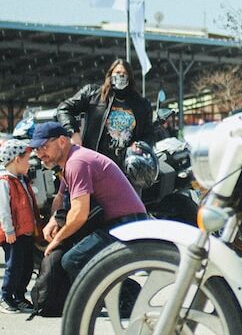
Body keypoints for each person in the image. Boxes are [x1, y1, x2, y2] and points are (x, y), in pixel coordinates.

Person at [31, 121, 147, 282]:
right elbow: (61, 197)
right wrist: (53, 221)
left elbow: (79, 213)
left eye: (44, 147)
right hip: (120, 222)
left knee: (73, 260)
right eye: (36, 149)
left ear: (62, 141)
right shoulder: (73, 160)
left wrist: (57, 240)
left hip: (126, 224)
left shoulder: (77, 163)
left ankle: (128, 299)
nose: (39, 154)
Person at [57, 58, 154, 171]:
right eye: (118, 73)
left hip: (126, 168)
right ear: (110, 74)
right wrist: (73, 132)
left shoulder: (141, 104)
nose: (121, 76)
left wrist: (140, 146)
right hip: (95, 164)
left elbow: (149, 133)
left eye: (125, 74)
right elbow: (64, 108)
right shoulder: (93, 94)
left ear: (130, 77)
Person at [0, 140, 39, 313]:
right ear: (16, 159)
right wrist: (9, 230)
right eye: (27, 159)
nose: (29, 163)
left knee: (27, 265)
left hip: (26, 231)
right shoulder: (5, 182)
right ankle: (6, 296)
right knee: (14, 265)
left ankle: (19, 296)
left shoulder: (22, 180)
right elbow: (3, 209)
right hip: (13, 232)